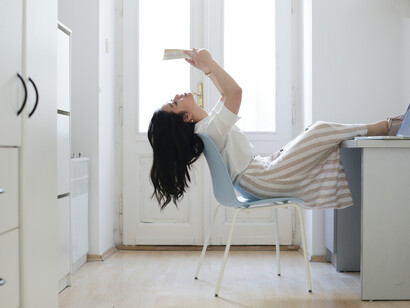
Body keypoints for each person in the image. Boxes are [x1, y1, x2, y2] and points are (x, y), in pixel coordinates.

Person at [148, 48, 403, 210]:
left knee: (312, 131)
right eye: (174, 103)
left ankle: (386, 126)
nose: (177, 96)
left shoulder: (209, 125)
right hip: (262, 179)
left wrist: (207, 68)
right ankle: (387, 126)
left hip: (262, 173)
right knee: (319, 130)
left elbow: (226, 94)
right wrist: (210, 64)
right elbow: (235, 93)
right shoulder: (209, 130)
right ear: (185, 118)